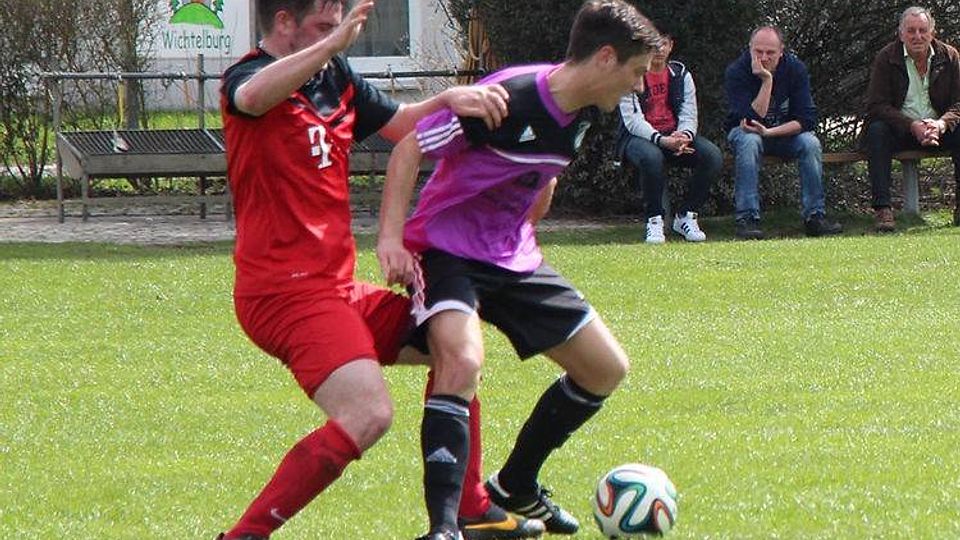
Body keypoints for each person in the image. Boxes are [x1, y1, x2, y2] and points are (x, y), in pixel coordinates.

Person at [217, 1, 545, 539]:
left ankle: (469, 509)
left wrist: (448, 99)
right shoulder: (248, 78)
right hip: (284, 295)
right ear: (282, 23)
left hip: (336, 289)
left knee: (453, 347)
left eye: (338, 26)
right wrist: (333, 43)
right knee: (368, 415)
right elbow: (252, 98)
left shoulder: (334, 76)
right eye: (323, 26)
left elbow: (399, 126)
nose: (336, 36)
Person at [375, 1, 660, 538]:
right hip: (448, 248)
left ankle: (516, 486)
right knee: (461, 361)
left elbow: (540, 173)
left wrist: (533, 205)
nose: (641, 87)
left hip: (513, 255)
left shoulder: (579, 116)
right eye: (638, 72)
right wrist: (390, 238)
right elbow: (410, 146)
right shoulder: (508, 99)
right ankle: (444, 528)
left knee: (606, 368)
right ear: (605, 58)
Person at [724, 26, 843, 239]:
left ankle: (815, 217)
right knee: (750, 142)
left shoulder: (795, 69)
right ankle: (747, 219)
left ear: (781, 51)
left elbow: (806, 120)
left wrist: (770, 132)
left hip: (782, 134)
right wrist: (767, 80)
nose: (763, 57)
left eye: (770, 52)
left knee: (811, 143)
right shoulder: (737, 71)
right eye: (758, 51)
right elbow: (751, 120)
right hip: (745, 133)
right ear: (750, 49)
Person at [616, 29, 722, 244]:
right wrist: (662, 140)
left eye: (662, 43)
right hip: (638, 139)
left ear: (670, 46)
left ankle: (686, 216)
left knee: (712, 156)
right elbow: (633, 121)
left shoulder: (681, 74)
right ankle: (654, 221)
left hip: (674, 135)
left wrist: (683, 136)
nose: (658, 49)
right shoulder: (631, 74)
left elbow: (689, 113)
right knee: (652, 157)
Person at [865, 6, 960, 231]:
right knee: (876, 131)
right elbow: (876, 105)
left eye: (922, 30)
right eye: (911, 31)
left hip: (939, 130)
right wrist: (911, 125)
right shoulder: (886, 58)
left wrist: (941, 123)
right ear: (901, 34)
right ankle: (883, 210)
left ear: (932, 33)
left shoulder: (950, 56)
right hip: (900, 130)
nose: (917, 36)